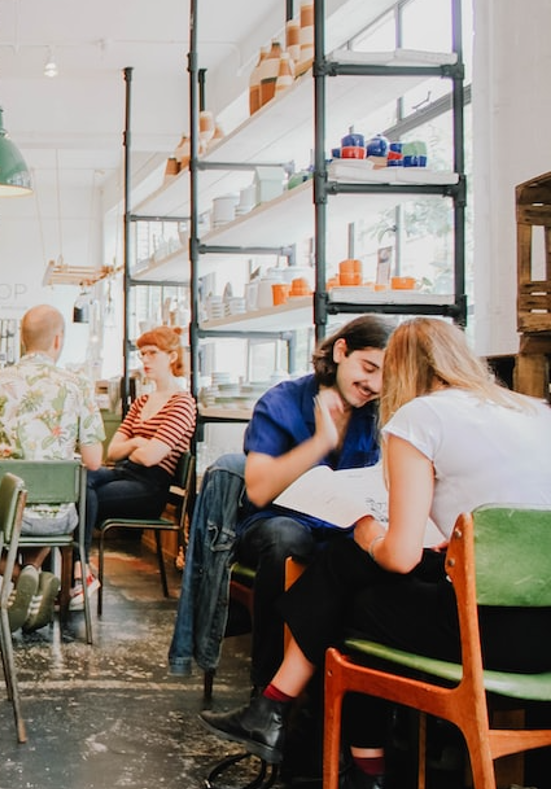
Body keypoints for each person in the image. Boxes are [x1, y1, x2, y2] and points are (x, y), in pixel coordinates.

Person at [200, 318, 551, 788]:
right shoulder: (536, 410)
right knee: (351, 571)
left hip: (487, 635)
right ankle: (282, 715)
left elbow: (400, 557)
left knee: (356, 598)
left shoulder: (421, 417)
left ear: (400, 370)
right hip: (543, 634)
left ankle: (325, 745)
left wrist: (367, 531)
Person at [168, 315, 393, 693]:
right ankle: (267, 691)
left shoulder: (378, 412)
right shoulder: (283, 401)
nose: (374, 384)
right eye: (368, 368)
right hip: (276, 522)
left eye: (385, 376)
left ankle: (353, 701)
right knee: (287, 539)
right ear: (341, 351)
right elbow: (258, 489)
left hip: (345, 529)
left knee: (381, 555)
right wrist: (320, 443)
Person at [0, 304, 105, 630]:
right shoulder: (78, 385)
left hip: (7, 511)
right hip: (60, 516)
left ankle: (20, 576)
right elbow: (93, 460)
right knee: (44, 513)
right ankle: (33, 575)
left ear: (22, 340)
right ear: (58, 340)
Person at [81, 325, 196, 607]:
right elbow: (113, 450)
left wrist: (135, 447)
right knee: (79, 478)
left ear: (172, 356)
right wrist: (137, 443)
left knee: (82, 494)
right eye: (142, 354)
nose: (145, 359)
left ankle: (77, 570)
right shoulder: (142, 401)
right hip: (123, 473)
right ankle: (76, 569)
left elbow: (151, 458)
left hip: (150, 487)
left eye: (152, 353)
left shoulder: (182, 403)